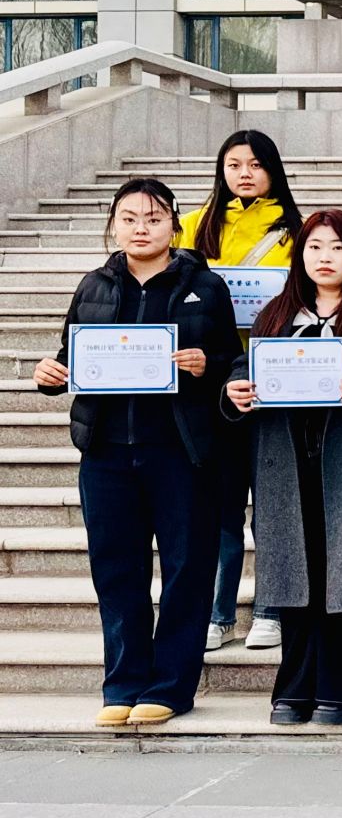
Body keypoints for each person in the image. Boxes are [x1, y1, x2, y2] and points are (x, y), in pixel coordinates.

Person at [38, 178, 239, 728]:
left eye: (153, 218)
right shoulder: (94, 285)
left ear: (174, 223)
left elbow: (232, 360)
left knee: (186, 570)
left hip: (181, 450)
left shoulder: (205, 286)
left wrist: (206, 365)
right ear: (114, 225)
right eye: (129, 218)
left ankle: (172, 686)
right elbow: (71, 356)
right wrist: (51, 374)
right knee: (115, 569)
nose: (141, 228)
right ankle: (123, 683)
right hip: (106, 451)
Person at [224, 210, 342, 726]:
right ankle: (295, 688)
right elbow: (245, 366)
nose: (325, 258)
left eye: (337, 247)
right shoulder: (277, 313)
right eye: (314, 247)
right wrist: (236, 389)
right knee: (299, 573)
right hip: (288, 463)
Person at [176, 130, 303, 655]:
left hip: (274, 382)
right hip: (212, 384)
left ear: (273, 169)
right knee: (221, 505)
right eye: (234, 164)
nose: (244, 174)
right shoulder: (192, 226)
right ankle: (219, 612)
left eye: (255, 164)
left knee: (274, 505)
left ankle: (271, 609)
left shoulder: (298, 232)